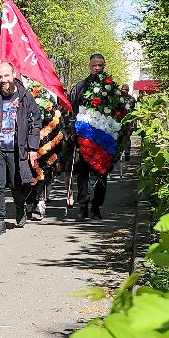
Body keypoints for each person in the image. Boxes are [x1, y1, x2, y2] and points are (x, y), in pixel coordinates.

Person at [0, 62, 42, 235]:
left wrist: (33, 147)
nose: (3, 80)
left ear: (13, 74)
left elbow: (35, 122)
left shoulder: (25, 97)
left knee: (18, 184)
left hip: (17, 148)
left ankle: (20, 207)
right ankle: (0, 221)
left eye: (6, 76)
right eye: (0, 76)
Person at [72, 53, 116, 220]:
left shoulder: (111, 86)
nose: (97, 68)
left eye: (100, 65)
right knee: (83, 172)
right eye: (94, 65)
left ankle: (96, 207)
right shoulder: (81, 86)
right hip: (85, 135)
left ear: (104, 65)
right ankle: (83, 205)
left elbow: (117, 108)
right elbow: (75, 108)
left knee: (102, 172)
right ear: (89, 66)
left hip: (105, 136)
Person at [29, 81, 67, 220]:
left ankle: (41, 200)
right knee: (31, 170)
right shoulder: (27, 89)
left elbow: (59, 117)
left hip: (50, 137)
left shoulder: (52, 91)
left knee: (48, 170)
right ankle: (31, 200)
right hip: (31, 137)